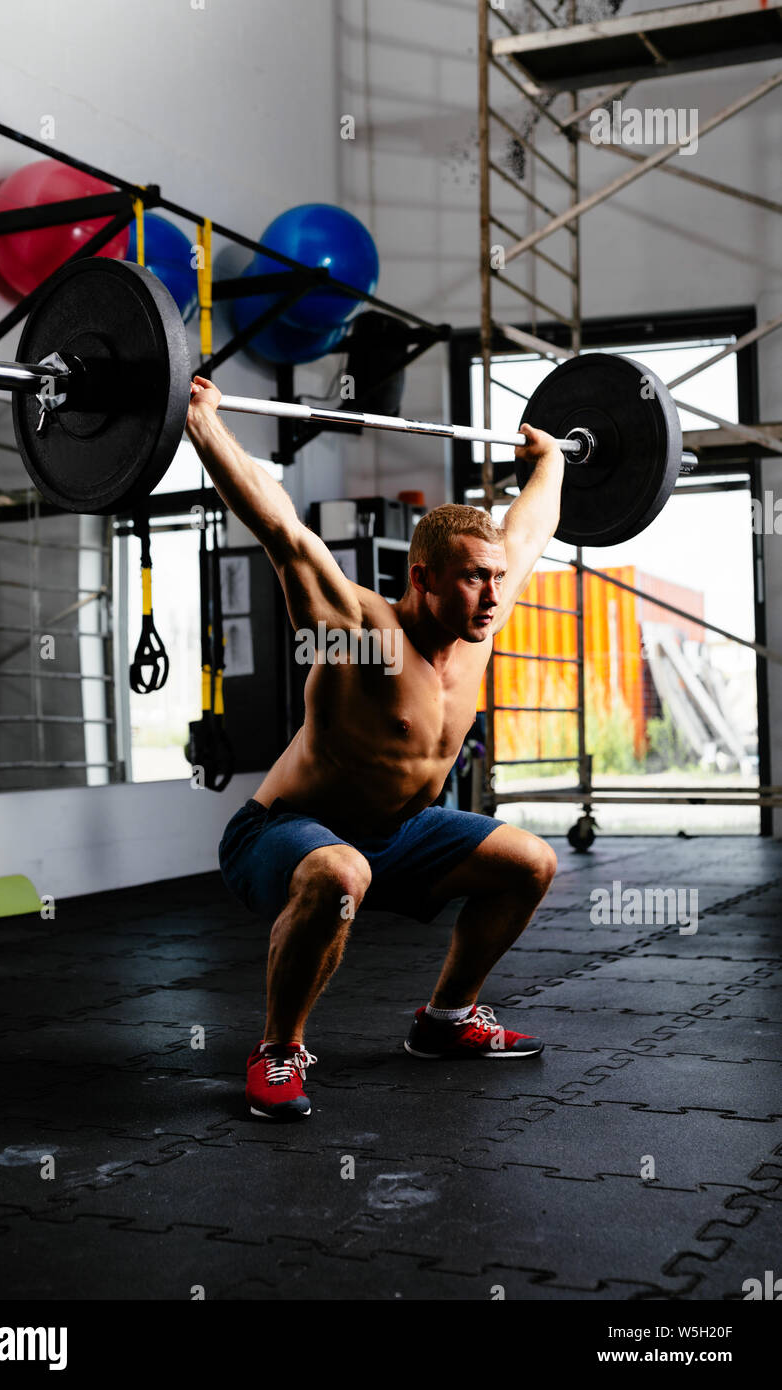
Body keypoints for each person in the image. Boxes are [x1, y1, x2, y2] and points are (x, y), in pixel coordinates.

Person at [186, 376, 563, 1120]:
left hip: (397, 837)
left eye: (495, 579)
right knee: (340, 869)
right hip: (285, 834)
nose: (493, 595)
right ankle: (278, 1051)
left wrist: (551, 459)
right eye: (473, 580)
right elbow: (284, 532)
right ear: (421, 578)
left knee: (531, 862)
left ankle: (446, 1020)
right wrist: (202, 424)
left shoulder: (481, 622)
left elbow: (531, 530)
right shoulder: (358, 632)